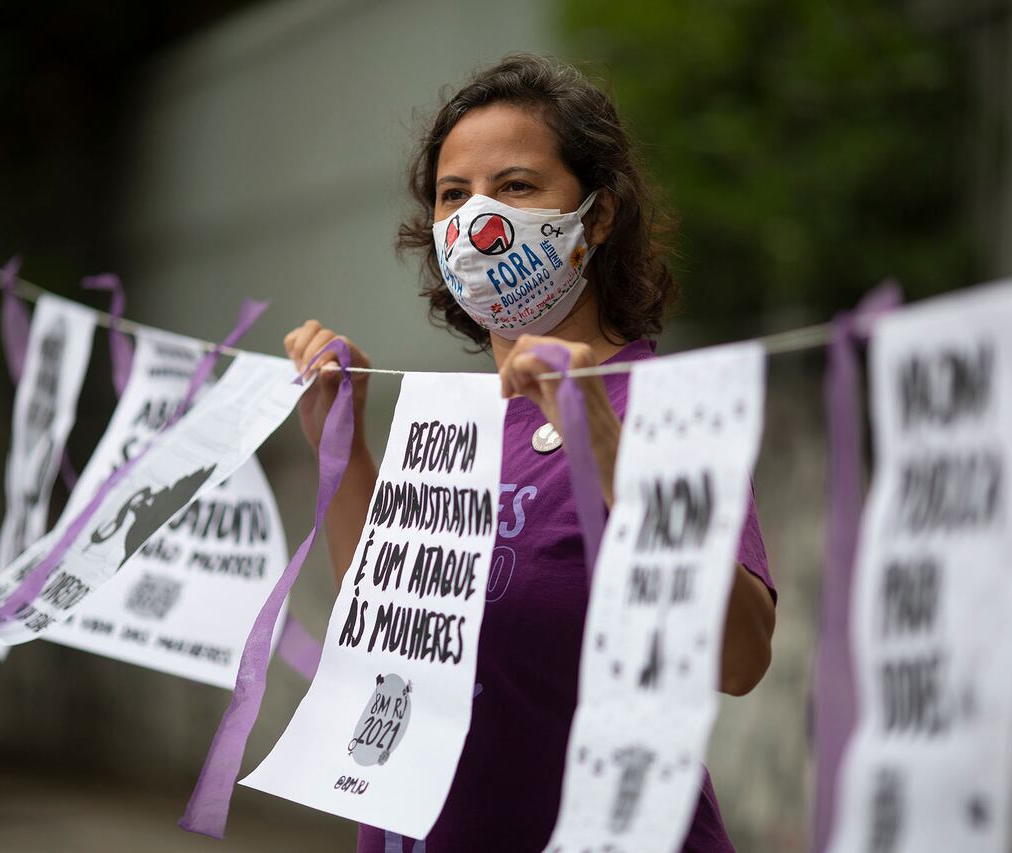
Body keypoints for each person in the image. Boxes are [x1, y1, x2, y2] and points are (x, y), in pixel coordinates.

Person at [283, 54, 776, 853]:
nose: (480, 219)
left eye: (516, 186)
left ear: (599, 214)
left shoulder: (664, 410)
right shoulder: (456, 419)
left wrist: (602, 443)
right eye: (454, 194)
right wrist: (340, 442)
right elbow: (387, 624)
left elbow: (738, 657)